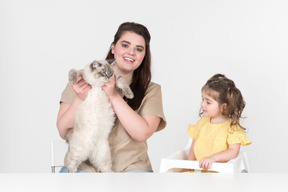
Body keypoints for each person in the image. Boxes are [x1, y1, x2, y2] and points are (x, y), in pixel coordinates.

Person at [56, 22, 166, 173]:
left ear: (144, 55)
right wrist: (80, 99)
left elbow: (142, 133)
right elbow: (63, 131)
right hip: (84, 167)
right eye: (125, 45)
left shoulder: (151, 90)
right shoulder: (83, 77)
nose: (131, 52)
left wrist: (114, 96)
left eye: (139, 49)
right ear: (113, 48)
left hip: (130, 167)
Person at [187, 74, 251, 172]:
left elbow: (233, 151)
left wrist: (213, 158)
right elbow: (193, 147)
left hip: (223, 174)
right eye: (202, 99)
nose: (202, 104)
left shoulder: (232, 127)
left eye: (208, 102)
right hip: (201, 173)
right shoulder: (202, 123)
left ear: (223, 106)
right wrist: (189, 167)